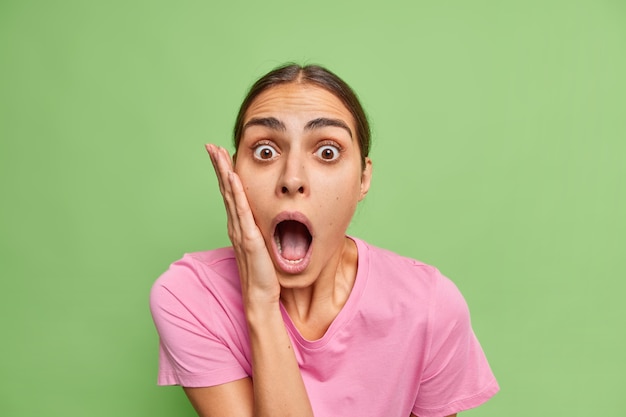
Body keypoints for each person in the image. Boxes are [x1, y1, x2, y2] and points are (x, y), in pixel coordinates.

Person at [150, 63, 499, 417]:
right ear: (234, 171)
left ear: (363, 179)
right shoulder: (190, 296)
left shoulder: (428, 307)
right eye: (265, 151)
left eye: (327, 152)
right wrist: (260, 302)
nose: (292, 178)